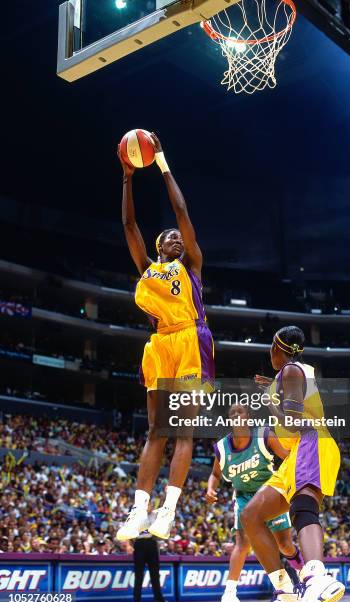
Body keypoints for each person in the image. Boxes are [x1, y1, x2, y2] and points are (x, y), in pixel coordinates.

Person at [117, 133, 214, 542]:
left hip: (192, 339)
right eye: (169, 237)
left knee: (183, 433)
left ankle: (168, 511)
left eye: (179, 236)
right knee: (156, 431)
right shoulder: (147, 268)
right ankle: (138, 510)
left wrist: (161, 163)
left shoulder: (191, 263)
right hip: (159, 344)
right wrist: (127, 177)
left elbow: (181, 208)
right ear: (159, 248)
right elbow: (128, 224)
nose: (177, 237)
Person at [240, 326, 345, 602]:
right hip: (296, 452)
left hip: (311, 439)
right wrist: (270, 392)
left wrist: (268, 403)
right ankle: (286, 592)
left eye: (270, 347)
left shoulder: (291, 372)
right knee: (251, 516)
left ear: (276, 349)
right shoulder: (289, 374)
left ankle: (316, 577)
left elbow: (294, 422)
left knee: (302, 506)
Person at [206, 403, 303, 602]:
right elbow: (215, 474)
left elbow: (287, 457)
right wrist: (211, 488)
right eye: (231, 413)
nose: (236, 415)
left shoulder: (264, 435)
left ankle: (303, 575)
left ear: (248, 417)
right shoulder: (222, 447)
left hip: (269, 493)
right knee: (242, 543)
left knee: (285, 545)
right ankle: (229, 596)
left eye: (240, 411)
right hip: (243, 498)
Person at [132, 524, 167, 602]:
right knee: (139, 574)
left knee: (155, 574)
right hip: (139, 542)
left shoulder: (154, 514)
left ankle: (158, 599)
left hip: (151, 542)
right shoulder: (135, 513)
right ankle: (137, 601)